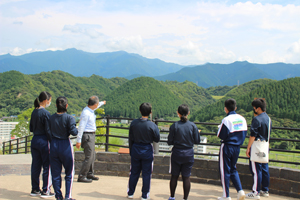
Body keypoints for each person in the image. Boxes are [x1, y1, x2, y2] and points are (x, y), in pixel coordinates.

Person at [127, 103, 160, 200]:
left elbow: (130, 138)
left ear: (140, 111)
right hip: (147, 149)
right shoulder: (152, 125)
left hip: (135, 148)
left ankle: (130, 193)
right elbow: (157, 139)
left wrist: (131, 151)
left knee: (134, 172)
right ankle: (145, 195)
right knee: (146, 173)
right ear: (150, 112)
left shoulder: (134, 123)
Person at [167, 104, 201, 200]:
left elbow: (169, 142)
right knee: (186, 177)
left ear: (178, 113)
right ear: (188, 113)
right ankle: (185, 198)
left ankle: (172, 197)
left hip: (177, 153)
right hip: (189, 153)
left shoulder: (174, 126)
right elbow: (197, 141)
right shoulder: (193, 126)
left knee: (174, 176)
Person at [217, 98, 247, 200]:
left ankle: (226, 195)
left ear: (226, 109)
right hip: (237, 147)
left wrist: (219, 128)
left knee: (224, 170)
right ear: (236, 107)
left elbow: (221, 135)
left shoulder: (226, 120)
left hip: (227, 146)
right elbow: (244, 133)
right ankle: (240, 191)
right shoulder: (242, 119)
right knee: (233, 168)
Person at [49, 96, 78, 200]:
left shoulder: (51, 118)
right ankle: (67, 196)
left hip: (53, 145)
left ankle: (58, 196)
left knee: (55, 173)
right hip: (65, 145)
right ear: (66, 106)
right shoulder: (69, 118)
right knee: (69, 172)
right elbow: (74, 132)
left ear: (56, 105)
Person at [29, 91, 54, 198]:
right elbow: (48, 130)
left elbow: (30, 128)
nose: (50, 102)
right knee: (47, 166)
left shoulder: (34, 112)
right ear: (45, 100)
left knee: (35, 165)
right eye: (50, 100)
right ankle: (46, 190)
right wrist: (52, 142)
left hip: (35, 139)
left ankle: (35, 189)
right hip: (44, 140)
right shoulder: (46, 113)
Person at [76, 96, 106, 182]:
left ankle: (89, 173)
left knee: (92, 155)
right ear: (94, 105)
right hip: (87, 135)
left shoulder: (90, 109)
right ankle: (82, 176)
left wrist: (102, 103)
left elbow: (97, 104)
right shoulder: (86, 113)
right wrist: (78, 140)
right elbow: (81, 127)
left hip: (91, 135)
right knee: (89, 156)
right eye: (97, 104)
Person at [245, 98, 271, 199]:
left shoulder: (257, 119)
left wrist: (248, 148)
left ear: (258, 108)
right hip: (265, 146)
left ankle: (255, 192)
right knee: (265, 169)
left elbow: (253, 135)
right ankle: (265, 190)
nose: (254, 110)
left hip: (257, 146)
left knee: (256, 170)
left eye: (254, 108)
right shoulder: (268, 118)